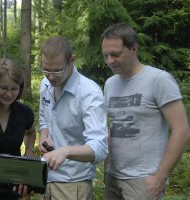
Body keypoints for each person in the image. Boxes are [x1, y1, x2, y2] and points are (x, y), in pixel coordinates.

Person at [102, 23, 190, 200]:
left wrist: (160, 177)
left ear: (134, 48)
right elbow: (116, 124)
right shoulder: (110, 84)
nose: (110, 61)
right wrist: (106, 166)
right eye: (106, 55)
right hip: (113, 177)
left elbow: (182, 131)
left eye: (116, 54)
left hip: (144, 181)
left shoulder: (159, 80)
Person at [37, 35, 108, 200]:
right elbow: (43, 119)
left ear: (72, 60)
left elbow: (99, 147)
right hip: (45, 178)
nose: (51, 77)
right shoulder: (45, 84)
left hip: (73, 183)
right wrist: (44, 136)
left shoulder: (89, 92)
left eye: (57, 70)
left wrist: (66, 152)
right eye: (46, 70)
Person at [0, 58, 36, 199]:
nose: (8, 94)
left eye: (14, 89)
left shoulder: (24, 112)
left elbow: (31, 132)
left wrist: (29, 151)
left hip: (15, 184)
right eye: (3, 88)